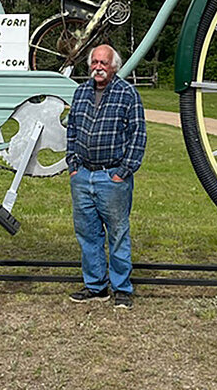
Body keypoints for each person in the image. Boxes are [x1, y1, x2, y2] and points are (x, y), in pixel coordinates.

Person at [65, 44, 146, 309]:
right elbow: (72, 130)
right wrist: (73, 165)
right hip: (83, 175)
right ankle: (96, 286)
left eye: (104, 63)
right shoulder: (80, 92)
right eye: (95, 62)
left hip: (111, 177)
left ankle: (122, 288)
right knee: (88, 235)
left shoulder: (127, 94)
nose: (98, 67)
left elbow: (138, 135)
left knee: (118, 234)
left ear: (114, 66)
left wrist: (124, 172)